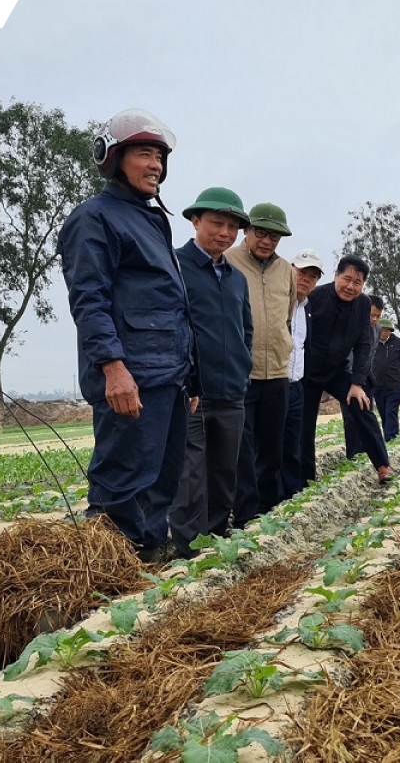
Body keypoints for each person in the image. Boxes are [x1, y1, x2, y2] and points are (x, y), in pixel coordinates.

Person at [58, 108, 196, 562]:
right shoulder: (94, 218)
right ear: (113, 158)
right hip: (131, 375)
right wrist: (113, 368)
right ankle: (109, 568)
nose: (155, 164)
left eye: (159, 155)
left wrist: (187, 377)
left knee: (163, 477)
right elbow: (89, 299)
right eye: (143, 153)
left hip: (167, 374)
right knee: (122, 479)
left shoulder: (153, 219)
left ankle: (150, 553)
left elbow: (171, 305)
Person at [169, 188, 254, 555]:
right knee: (190, 476)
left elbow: (245, 329)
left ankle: (216, 542)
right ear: (195, 221)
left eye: (232, 227)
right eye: (217, 223)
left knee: (223, 474)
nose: (224, 233)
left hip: (232, 391)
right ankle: (187, 551)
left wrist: (242, 368)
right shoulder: (174, 266)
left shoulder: (236, 278)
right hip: (191, 393)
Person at [225, 203, 296, 526]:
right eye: (261, 233)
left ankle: (269, 509)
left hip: (278, 372)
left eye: (275, 236)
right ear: (247, 231)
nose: (267, 241)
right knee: (243, 449)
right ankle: (244, 515)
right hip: (243, 373)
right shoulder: (229, 262)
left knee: (272, 445)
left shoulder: (286, 271)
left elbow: (288, 316)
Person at [302, 256, 396, 484]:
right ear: (336, 275)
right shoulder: (315, 297)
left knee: (362, 406)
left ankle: (383, 465)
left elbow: (364, 344)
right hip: (308, 372)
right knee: (303, 426)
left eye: (357, 282)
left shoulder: (363, 304)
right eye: (347, 279)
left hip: (336, 370)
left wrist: (357, 383)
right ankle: (304, 481)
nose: (350, 287)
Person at [280, 248, 322, 498]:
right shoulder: (277, 301)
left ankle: (291, 494)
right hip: (274, 382)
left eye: (312, 276)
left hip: (297, 385)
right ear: (291, 270)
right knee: (270, 446)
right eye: (302, 272)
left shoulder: (307, 309)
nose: (306, 279)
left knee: (293, 444)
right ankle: (270, 499)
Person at [343, 294, 384, 459]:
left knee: (367, 414)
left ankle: (366, 451)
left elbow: (371, 354)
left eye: (378, 316)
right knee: (351, 417)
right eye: (372, 314)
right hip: (349, 376)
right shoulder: (352, 325)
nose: (374, 319)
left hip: (366, 378)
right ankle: (352, 453)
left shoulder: (378, 329)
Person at [370, 318, 400, 441]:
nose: (383, 333)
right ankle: (388, 437)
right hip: (377, 385)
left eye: (386, 331)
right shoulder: (371, 343)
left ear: (390, 331)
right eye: (381, 330)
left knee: (391, 411)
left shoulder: (399, 343)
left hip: (395, 385)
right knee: (384, 414)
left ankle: (391, 438)